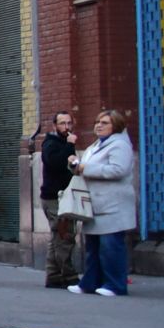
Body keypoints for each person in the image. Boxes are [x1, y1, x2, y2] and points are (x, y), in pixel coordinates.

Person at [68, 109, 136, 298]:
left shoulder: (120, 145)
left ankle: (115, 285)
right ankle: (90, 283)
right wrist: (75, 164)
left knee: (111, 247)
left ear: (116, 125)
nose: (98, 125)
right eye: (97, 121)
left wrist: (85, 167)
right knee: (93, 248)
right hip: (95, 204)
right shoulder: (96, 145)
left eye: (104, 123)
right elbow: (85, 168)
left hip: (112, 205)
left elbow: (118, 170)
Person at [39, 111, 81, 288]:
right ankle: (69, 276)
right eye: (62, 124)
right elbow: (55, 163)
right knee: (65, 237)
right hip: (55, 198)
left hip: (62, 197)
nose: (67, 127)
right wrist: (70, 147)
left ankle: (54, 275)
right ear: (55, 126)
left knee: (57, 237)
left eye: (69, 123)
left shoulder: (62, 143)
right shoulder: (51, 143)